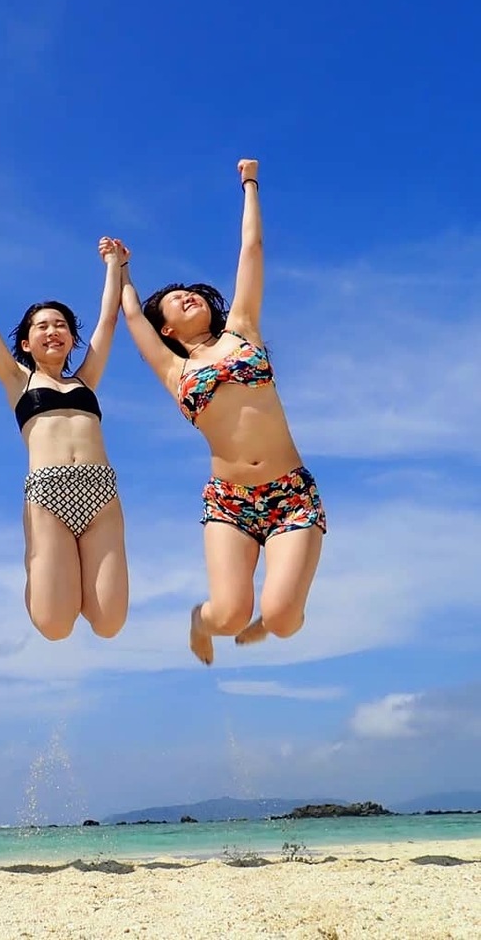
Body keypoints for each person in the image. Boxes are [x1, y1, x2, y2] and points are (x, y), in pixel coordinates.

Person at [117, 159, 326, 665]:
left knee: (282, 619)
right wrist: (119, 267)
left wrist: (250, 183)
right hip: (229, 500)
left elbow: (251, 250)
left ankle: (271, 620)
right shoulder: (174, 370)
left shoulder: (242, 330)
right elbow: (131, 314)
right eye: (174, 300)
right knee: (228, 615)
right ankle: (201, 621)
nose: (186, 296)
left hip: (290, 494)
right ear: (166, 329)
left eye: (190, 292)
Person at [0, 239, 128, 640]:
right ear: (25, 342)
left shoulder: (86, 379)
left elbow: (108, 320)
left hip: (101, 493)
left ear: (71, 339)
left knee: (109, 624)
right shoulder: (19, 380)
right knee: (54, 626)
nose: (53, 331)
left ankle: (69, 574)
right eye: (43, 326)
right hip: (47, 494)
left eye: (61, 325)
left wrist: (116, 264)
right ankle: (42, 568)